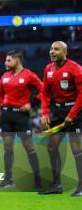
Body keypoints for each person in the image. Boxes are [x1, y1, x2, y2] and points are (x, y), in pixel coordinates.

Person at [0, 50, 43, 188]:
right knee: (7, 148)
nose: (5, 62)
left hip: (21, 117)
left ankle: (37, 180)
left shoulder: (29, 75)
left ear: (17, 60)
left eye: (9, 60)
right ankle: (8, 179)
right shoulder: (5, 76)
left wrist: (31, 104)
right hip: (6, 116)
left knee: (29, 148)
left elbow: (43, 90)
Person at [39, 41, 82, 196]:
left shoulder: (75, 69)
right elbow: (44, 93)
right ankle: (56, 185)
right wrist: (44, 113)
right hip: (58, 111)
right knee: (52, 146)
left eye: (56, 49)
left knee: (76, 147)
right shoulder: (48, 69)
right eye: (51, 49)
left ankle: (81, 186)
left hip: (76, 111)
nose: (52, 51)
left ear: (65, 52)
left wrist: (72, 114)